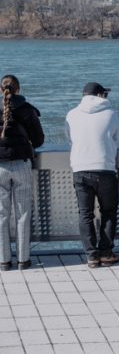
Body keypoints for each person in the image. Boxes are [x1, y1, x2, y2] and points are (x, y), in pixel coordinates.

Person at [65, 82, 119, 268]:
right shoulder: (111, 114)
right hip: (105, 167)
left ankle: (91, 255)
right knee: (108, 211)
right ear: (99, 95)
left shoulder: (72, 115)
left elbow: (70, 138)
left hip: (80, 168)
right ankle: (106, 253)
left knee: (85, 213)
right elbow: (117, 140)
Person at [0, 75, 44, 271]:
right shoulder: (27, 110)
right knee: (23, 213)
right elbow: (38, 140)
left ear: (2, 90)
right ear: (18, 89)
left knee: (1, 214)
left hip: (0, 166)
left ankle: (3, 260)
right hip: (22, 164)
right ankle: (23, 260)